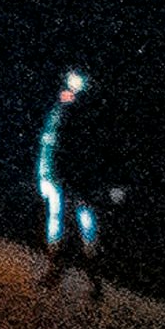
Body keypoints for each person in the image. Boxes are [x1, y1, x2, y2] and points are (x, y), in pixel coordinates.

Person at [33, 68, 128, 291]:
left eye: (77, 88)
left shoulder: (90, 115)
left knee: (85, 221)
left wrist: (107, 181)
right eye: (70, 86)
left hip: (79, 176)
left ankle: (93, 276)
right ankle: (56, 271)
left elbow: (102, 149)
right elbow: (48, 142)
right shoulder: (58, 111)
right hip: (58, 174)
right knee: (58, 219)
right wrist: (44, 174)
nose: (70, 92)